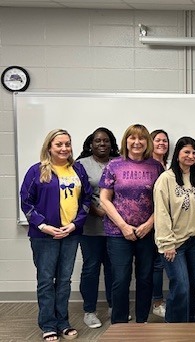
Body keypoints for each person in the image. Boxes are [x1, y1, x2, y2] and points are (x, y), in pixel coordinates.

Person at [21, 129, 92, 341]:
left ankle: (63, 322)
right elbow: (26, 202)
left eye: (67, 144)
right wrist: (43, 226)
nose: (64, 148)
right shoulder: (36, 171)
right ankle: (48, 324)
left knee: (64, 281)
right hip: (44, 236)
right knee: (45, 280)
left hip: (70, 234)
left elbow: (87, 200)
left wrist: (74, 225)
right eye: (59, 144)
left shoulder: (77, 170)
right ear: (49, 147)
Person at [100, 124, 165, 324]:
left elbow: (163, 201)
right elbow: (104, 199)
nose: (136, 142)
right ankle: (119, 324)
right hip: (118, 233)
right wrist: (123, 226)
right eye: (132, 138)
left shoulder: (156, 167)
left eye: (141, 138)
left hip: (147, 232)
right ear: (126, 141)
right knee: (121, 279)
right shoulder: (113, 166)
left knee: (145, 279)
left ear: (147, 142)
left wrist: (149, 224)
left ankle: (142, 321)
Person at [153, 136, 195, 323]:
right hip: (174, 243)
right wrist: (167, 243)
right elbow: (161, 212)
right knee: (181, 286)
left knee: (192, 287)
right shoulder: (165, 179)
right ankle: (173, 326)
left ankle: (190, 326)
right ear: (177, 155)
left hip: (194, 241)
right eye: (186, 152)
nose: (190, 156)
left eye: (193, 152)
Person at [76, 127, 120, 329]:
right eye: (97, 141)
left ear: (112, 144)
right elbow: (78, 196)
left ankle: (114, 307)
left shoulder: (119, 163)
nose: (102, 144)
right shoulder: (81, 165)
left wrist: (113, 215)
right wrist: (97, 211)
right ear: (90, 144)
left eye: (106, 141)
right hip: (91, 229)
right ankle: (90, 311)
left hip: (116, 228)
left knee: (114, 269)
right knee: (91, 269)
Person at [150, 129, 170, 318]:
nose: (162, 143)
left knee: (161, 264)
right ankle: (156, 301)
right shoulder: (147, 165)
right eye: (158, 140)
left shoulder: (169, 165)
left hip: (166, 222)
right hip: (150, 220)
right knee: (156, 264)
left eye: (165, 140)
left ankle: (163, 300)